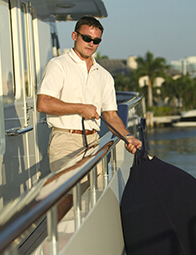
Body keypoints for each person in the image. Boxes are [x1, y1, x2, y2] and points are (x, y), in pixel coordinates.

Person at [37, 16, 142, 172]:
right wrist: (80, 108)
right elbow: (43, 103)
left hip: (94, 141)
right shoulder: (58, 65)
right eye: (86, 38)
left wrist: (128, 137)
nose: (91, 44)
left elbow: (111, 116)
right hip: (65, 140)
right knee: (68, 193)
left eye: (96, 41)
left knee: (94, 193)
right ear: (74, 36)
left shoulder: (104, 75)